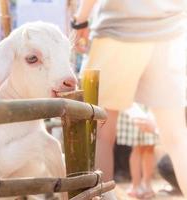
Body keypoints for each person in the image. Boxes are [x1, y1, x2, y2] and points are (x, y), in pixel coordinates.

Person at [72, 0, 187, 197]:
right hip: (170, 28)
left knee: (100, 133)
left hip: (119, 27)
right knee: (177, 137)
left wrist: (80, 20)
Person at [117, 103, 158, 199]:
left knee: (150, 145)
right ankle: (136, 185)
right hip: (136, 105)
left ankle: (147, 184)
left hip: (151, 104)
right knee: (137, 147)